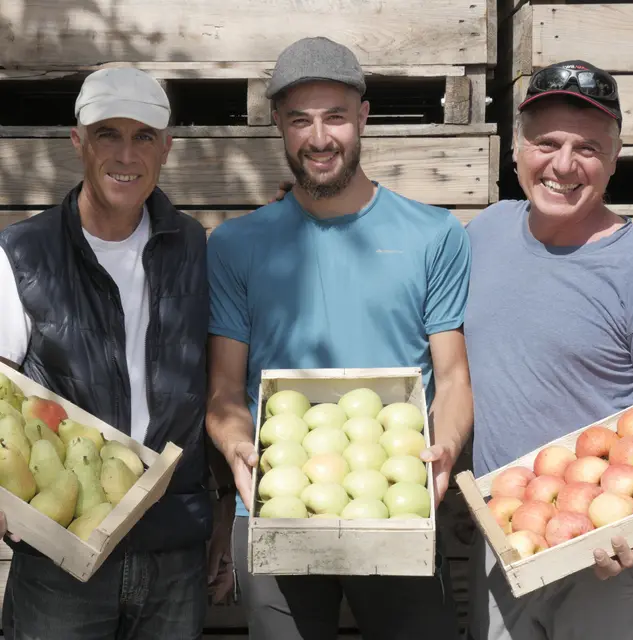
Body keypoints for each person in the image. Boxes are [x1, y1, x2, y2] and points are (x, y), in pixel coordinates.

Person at [206, 36, 473, 640]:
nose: (319, 138)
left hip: (399, 501)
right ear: (277, 123)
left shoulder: (433, 236)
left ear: (364, 118)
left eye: (335, 117)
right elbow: (224, 389)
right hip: (275, 502)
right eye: (300, 119)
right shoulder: (234, 246)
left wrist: (446, 448)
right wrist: (237, 449)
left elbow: (453, 376)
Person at [0, 67, 212, 639]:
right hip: (61, 550)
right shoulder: (23, 254)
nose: (126, 153)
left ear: (166, 147)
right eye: (107, 134)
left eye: (144, 135)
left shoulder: (193, 246)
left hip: (173, 547)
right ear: (78, 141)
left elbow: (210, 391)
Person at [465, 60, 633, 640]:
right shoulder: (485, 233)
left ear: (615, 159)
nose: (563, 165)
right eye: (547, 143)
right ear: (517, 151)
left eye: (587, 148)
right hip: (507, 538)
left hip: (609, 560)